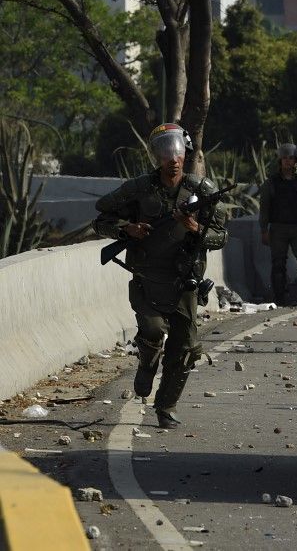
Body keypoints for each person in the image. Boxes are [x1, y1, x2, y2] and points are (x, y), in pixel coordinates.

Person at [94, 123, 228, 429]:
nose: (173, 158)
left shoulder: (200, 191)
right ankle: (147, 359)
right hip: (148, 277)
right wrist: (127, 229)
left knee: (184, 349)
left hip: (185, 282)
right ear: (156, 155)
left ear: (185, 152)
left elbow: (221, 237)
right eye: (166, 151)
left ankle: (166, 406)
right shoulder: (139, 189)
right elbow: (101, 216)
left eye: (177, 150)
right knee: (153, 330)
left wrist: (195, 228)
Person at [260, 143, 297, 306]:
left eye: (291, 158)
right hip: (278, 228)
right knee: (278, 263)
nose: (288, 161)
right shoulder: (271, 182)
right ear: (280, 160)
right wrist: (264, 230)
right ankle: (280, 298)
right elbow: (265, 208)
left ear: (295, 161)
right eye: (284, 158)